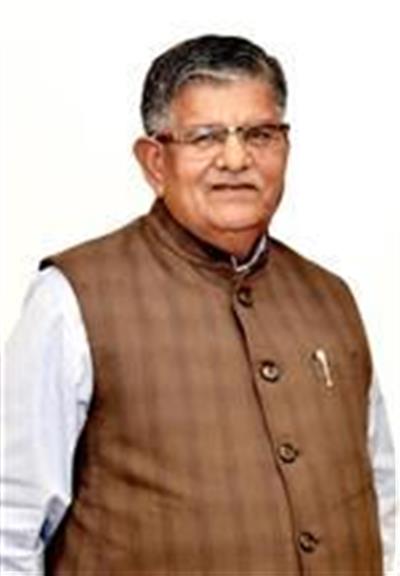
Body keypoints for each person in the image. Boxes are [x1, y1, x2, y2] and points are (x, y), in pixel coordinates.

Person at [1, 34, 395, 575]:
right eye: (206, 137)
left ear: (285, 148)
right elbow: (11, 521)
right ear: (155, 162)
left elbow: (379, 496)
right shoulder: (72, 299)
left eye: (259, 134)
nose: (236, 159)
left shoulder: (330, 298)